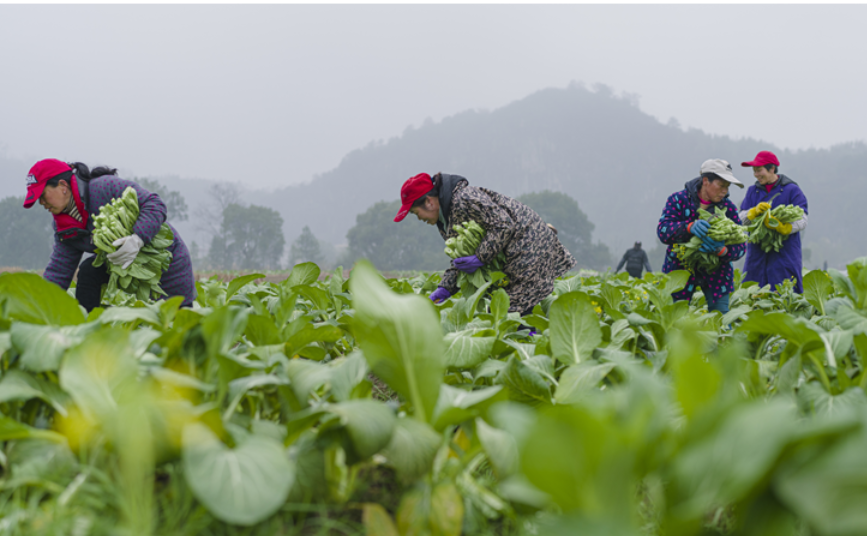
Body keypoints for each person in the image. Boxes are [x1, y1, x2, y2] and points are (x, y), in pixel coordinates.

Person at [24, 158, 196, 311]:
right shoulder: (63, 227)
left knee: (174, 323)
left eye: (42, 195)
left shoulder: (103, 188)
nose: (41, 202)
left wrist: (137, 238)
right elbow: (59, 271)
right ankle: (90, 329)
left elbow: (154, 204)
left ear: (62, 186)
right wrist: (37, 306)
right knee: (88, 272)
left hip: (166, 263)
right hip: (122, 264)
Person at [394, 172, 576, 315]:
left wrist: (480, 257)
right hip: (516, 252)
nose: (419, 219)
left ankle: (534, 347)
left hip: (529, 246)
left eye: (416, 213)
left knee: (511, 313)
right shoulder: (445, 218)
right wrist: (444, 288)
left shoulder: (464, 198)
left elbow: (503, 224)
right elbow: (462, 260)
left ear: (429, 202)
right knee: (504, 312)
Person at [657, 159, 747, 314]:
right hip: (680, 269)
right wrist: (689, 227)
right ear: (706, 181)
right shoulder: (679, 200)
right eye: (721, 185)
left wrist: (723, 251)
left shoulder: (728, 208)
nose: (725, 191)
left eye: (727, 186)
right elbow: (663, 231)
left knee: (720, 319)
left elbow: (741, 246)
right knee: (674, 318)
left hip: (718, 273)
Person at [738, 150, 808, 293]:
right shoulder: (753, 191)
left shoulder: (791, 190)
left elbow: (803, 218)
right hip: (757, 256)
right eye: (754, 171)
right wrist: (753, 212)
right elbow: (740, 218)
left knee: (786, 296)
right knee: (752, 296)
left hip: (784, 254)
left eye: (759, 170)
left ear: (772, 169)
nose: (756, 174)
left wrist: (785, 227)